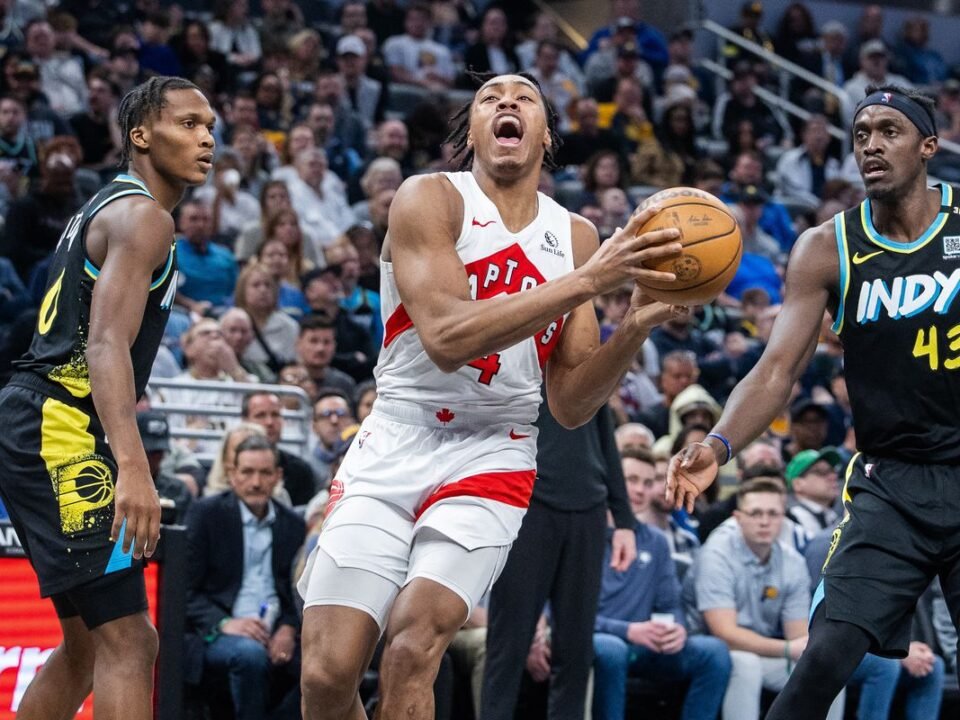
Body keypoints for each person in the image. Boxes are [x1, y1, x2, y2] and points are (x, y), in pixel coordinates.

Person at [296, 71, 687, 720]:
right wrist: (585, 283)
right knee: (327, 674)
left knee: (412, 648)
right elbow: (447, 337)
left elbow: (570, 402)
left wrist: (635, 327)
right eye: (489, 98)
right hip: (396, 435)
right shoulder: (430, 199)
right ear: (472, 131)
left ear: (546, 136)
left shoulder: (578, 236)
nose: (507, 101)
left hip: (493, 451)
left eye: (525, 97)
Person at [667, 84, 960, 719]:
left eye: (889, 131)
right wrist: (718, 444)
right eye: (861, 135)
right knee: (824, 656)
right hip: (892, 485)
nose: (871, 146)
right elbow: (776, 371)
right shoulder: (827, 247)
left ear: (928, 146)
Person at [0, 76, 214, 720]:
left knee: (87, 647)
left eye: (210, 126)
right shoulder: (145, 214)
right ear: (141, 135)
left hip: (43, 417)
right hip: (58, 422)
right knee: (129, 639)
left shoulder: (117, 207)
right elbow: (103, 347)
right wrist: (133, 464)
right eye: (188, 124)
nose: (206, 138)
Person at [686, 478, 844, 720]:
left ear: (783, 518)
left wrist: (799, 650)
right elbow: (724, 634)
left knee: (826, 669)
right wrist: (788, 648)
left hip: (765, 651)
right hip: (712, 651)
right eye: (755, 513)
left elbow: (798, 636)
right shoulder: (716, 555)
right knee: (746, 665)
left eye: (773, 514)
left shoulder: (792, 561)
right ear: (738, 518)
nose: (764, 521)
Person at [593, 447, 730, 720]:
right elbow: (561, 614)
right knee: (611, 649)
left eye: (648, 482)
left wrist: (676, 629)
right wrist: (628, 630)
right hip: (600, 641)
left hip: (646, 644)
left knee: (714, 652)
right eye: (631, 480)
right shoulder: (585, 534)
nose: (640, 490)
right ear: (611, 480)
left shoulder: (656, 541)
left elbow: (670, 604)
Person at [184, 434, 306, 720]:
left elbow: (294, 593)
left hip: (274, 630)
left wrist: (288, 628)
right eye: (247, 472)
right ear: (232, 475)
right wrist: (227, 623)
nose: (256, 482)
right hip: (218, 631)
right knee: (250, 655)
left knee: (327, 667)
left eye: (265, 473)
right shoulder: (206, 515)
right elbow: (184, 592)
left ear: (278, 476)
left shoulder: (293, 525)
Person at [241, 391, 318, 507]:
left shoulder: (300, 471)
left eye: (275, 415)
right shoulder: (227, 464)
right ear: (245, 421)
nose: (269, 422)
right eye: (260, 415)